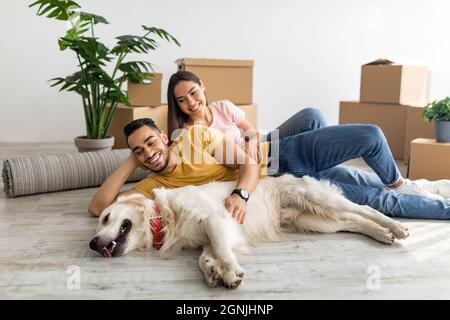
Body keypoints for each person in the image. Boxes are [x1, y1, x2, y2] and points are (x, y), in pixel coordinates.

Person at [88, 113, 450, 222]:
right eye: (140, 151)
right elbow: (99, 207)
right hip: (286, 186)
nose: (149, 152)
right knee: (376, 201)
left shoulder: (193, 136)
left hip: (283, 155)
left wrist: (242, 194)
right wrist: (129, 160)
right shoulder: (154, 184)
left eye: (151, 142)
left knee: (370, 133)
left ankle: (400, 182)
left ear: (164, 137)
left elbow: (249, 161)